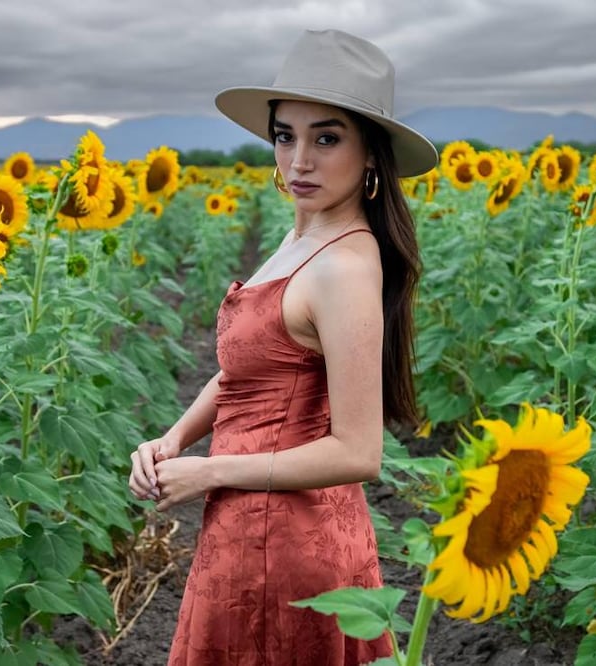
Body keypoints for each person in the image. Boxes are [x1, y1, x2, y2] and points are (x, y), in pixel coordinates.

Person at [128, 28, 438, 666]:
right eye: (285, 136)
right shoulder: (303, 239)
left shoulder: (343, 267)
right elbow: (246, 371)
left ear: (372, 153)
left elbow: (359, 451)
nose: (299, 161)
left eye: (327, 138)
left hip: (285, 547)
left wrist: (208, 470)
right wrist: (175, 440)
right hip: (252, 528)